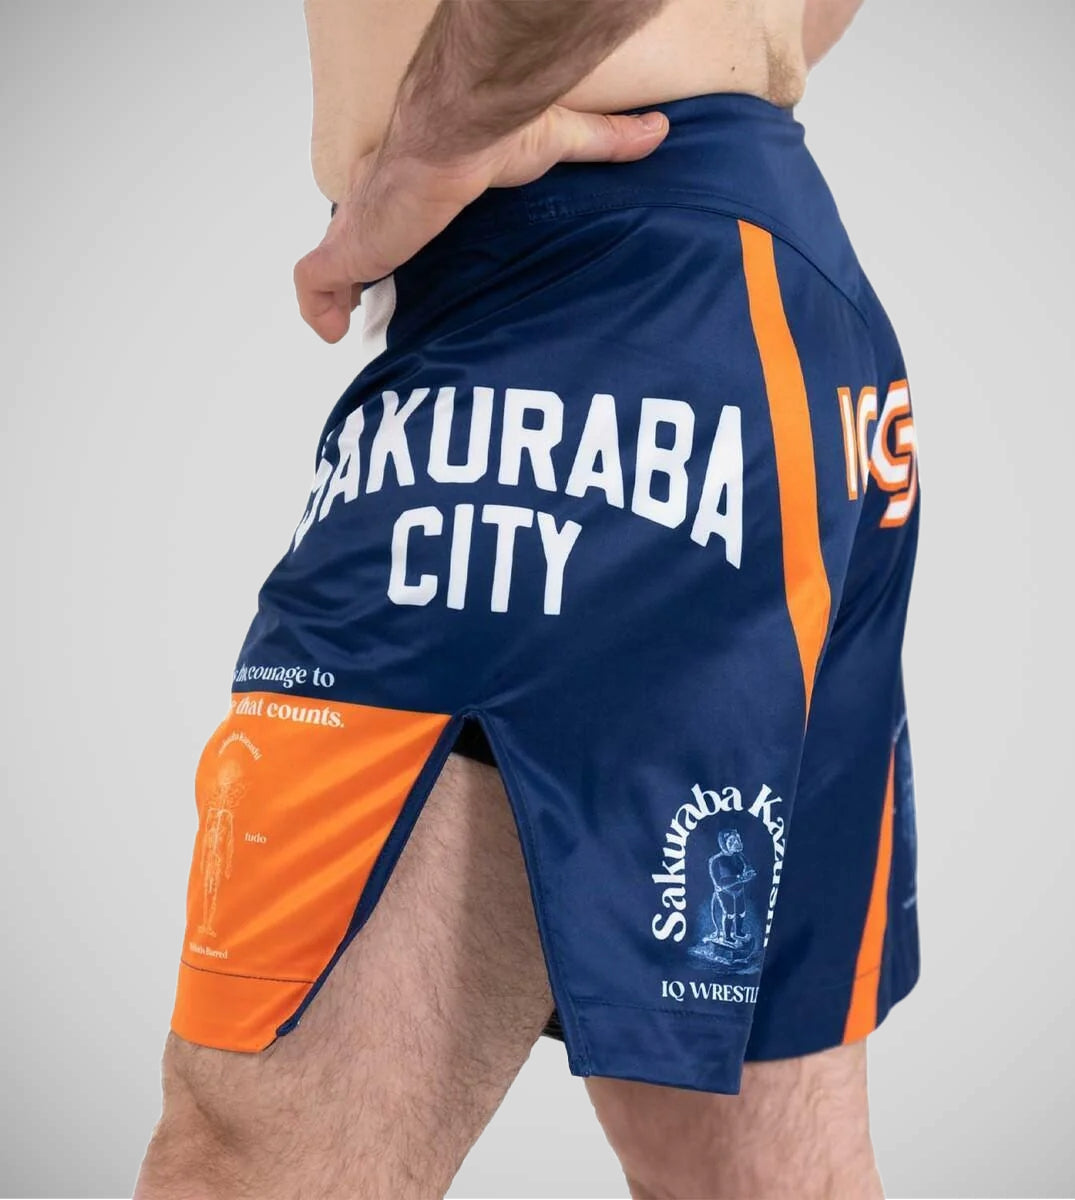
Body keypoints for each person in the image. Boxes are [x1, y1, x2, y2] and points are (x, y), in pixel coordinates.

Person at [135, 1, 922, 1196]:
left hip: (585, 320)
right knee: (742, 1169)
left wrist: (437, 140)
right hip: (777, 318)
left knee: (258, 1149)